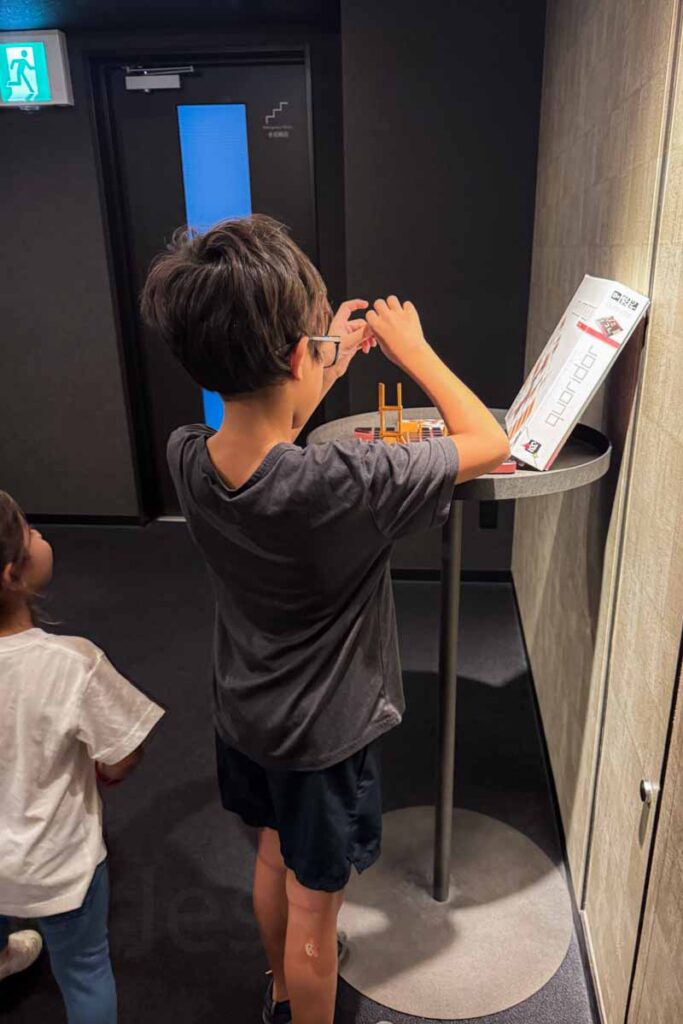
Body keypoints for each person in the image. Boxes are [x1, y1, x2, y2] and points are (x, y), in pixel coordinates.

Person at [141, 214, 509, 1024]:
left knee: (272, 859)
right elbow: (489, 438)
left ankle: (276, 989)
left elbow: (274, 428)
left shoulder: (186, 456)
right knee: (319, 915)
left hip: (245, 718)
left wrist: (326, 354)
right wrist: (411, 351)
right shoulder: (346, 482)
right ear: (296, 355)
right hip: (322, 742)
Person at [0, 492, 165, 1023]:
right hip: (58, 863)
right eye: (31, 534)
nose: (42, 536)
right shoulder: (73, 662)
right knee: (85, 968)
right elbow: (123, 753)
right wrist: (108, 768)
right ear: (13, 574)